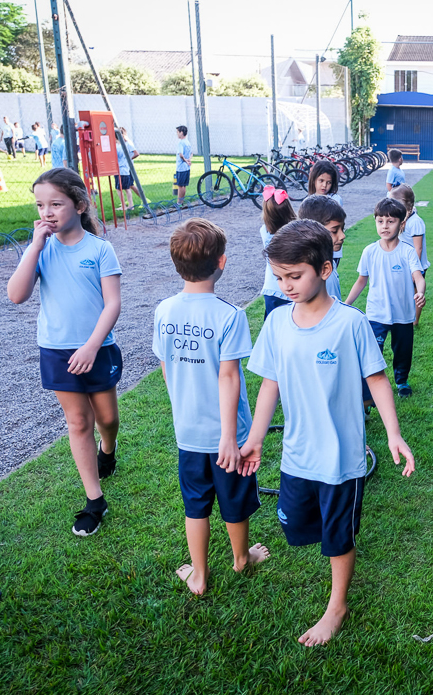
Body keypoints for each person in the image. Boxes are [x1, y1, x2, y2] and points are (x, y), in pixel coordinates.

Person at [242, 218, 416, 646]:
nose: (286, 286)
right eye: (279, 277)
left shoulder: (350, 323)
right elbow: (269, 384)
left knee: (338, 538)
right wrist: (256, 439)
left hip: (341, 458)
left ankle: (337, 606)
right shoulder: (277, 323)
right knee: (296, 524)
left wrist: (393, 434)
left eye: (294, 276)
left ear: (324, 269)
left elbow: (377, 380)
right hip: (297, 455)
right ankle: (327, 557)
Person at [153, 218, 270, 596]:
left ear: (176, 264)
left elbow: (167, 366)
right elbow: (229, 377)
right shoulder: (229, 314)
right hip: (227, 437)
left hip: (188, 432)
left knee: (196, 504)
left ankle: (200, 576)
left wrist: (183, 407)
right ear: (222, 262)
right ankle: (241, 559)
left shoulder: (164, 310)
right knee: (234, 500)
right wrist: (228, 438)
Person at [6, 168, 122, 537]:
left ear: (80, 205)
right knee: (78, 422)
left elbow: (112, 304)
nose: (47, 212)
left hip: (97, 348)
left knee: (107, 418)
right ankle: (94, 500)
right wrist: (34, 247)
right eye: (40, 205)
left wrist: (91, 346)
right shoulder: (40, 250)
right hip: (56, 350)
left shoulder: (99, 249)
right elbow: (16, 295)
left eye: (56, 204)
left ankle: (108, 450)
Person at [345, 197, 426, 398]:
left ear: (401, 223)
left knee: (403, 352)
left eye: (391, 221)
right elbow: (361, 281)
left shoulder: (407, 252)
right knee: (373, 354)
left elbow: (418, 276)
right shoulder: (369, 251)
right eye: (380, 221)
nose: (385, 226)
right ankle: (369, 393)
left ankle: (402, 382)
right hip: (376, 314)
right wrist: (346, 304)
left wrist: (420, 292)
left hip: (403, 315)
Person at [298, 194, 347, 302]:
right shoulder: (314, 272)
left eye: (342, 229)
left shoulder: (328, 261)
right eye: (334, 231)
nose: (342, 236)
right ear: (311, 232)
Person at [393, 185, 430, 326]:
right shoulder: (403, 219)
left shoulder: (415, 222)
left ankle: (415, 321)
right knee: (404, 292)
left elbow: (418, 248)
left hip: (416, 266)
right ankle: (403, 316)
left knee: (416, 293)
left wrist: (415, 271)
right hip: (404, 264)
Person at [259, 186, 297, 321]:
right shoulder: (295, 234)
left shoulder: (264, 231)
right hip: (291, 288)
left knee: (273, 325)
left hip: (271, 288)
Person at [114, 127, 143, 213]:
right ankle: (131, 205)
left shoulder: (121, 145)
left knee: (120, 188)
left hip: (122, 168)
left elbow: (136, 153)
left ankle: (125, 205)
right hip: (125, 168)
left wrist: (128, 160)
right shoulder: (122, 144)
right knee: (128, 186)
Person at [175, 125, 193, 206]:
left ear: (181, 132)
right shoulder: (187, 142)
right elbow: (191, 153)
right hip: (187, 167)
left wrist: (185, 160)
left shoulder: (181, 143)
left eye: (178, 132)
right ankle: (181, 202)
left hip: (181, 168)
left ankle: (179, 203)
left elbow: (181, 154)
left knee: (180, 185)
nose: (177, 134)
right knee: (184, 185)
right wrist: (189, 160)